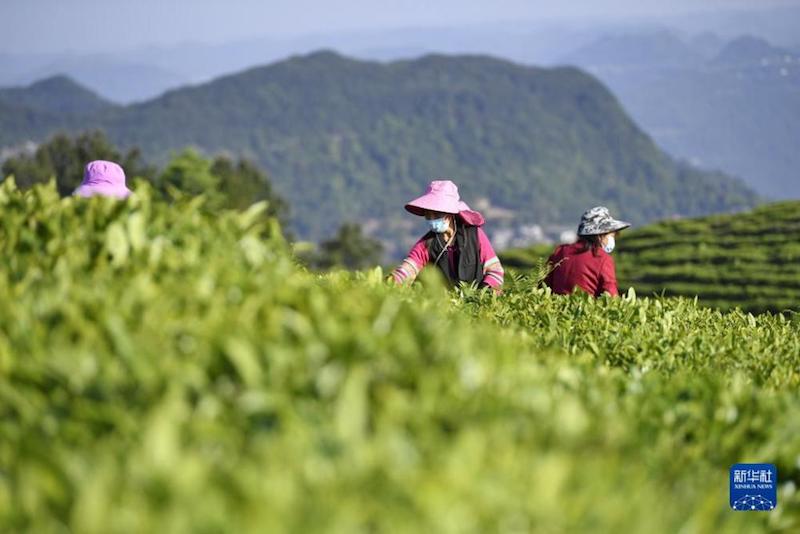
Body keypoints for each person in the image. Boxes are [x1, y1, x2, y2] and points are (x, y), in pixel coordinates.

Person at [392, 180, 504, 290]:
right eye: (428, 215)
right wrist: (390, 283)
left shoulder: (474, 235)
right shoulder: (427, 243)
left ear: (450, 214)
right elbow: (408, 269)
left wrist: (485, 292)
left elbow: (495, 271)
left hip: (476, 299)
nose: (432, 219)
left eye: (437, 215)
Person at [545, 206, 630, 297]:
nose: (613, 238)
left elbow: (544, 286)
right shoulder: (602, 259)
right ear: (600, 235)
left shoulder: (560, 252)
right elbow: (611, 298)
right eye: (612, 235)